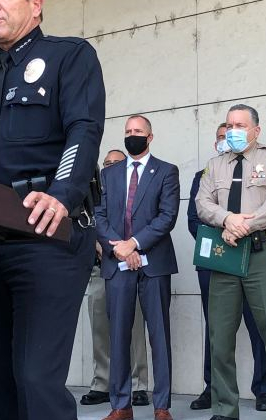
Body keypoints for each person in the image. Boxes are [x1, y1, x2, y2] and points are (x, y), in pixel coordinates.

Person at [0, 0, 104, 419]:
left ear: (35, 4)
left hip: (45, 237)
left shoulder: (69, 56)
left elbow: (84, 131)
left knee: (36, 377)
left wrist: (62, 193)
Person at [196, 104, 266, 420]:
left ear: (256, 130)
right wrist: (227, 220)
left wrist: (244, 225)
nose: (234, 130)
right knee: (220, 337)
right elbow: (202, 203)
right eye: (229, 125)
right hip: (227, 257)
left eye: (240, 125)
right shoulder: (215, 165)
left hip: (264, 254)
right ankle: (225, 409)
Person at [94, 115, 179, 420]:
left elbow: (167, 217)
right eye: (128, 131)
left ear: (150, 137)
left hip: (153, 264)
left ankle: (161, 406)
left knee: (159, 336)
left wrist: (135, 244)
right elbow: (98, 215)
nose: (132, 136)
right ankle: (121, 406)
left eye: (138, 132)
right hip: (118, 263)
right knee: (118, 335)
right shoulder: (109, 174)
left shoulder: (167, 171)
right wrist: (119, 247)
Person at [186, 123, 266, 411]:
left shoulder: (258, 169)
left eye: (230, 136)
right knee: (217, 329)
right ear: (215, 144)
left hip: (252, 257)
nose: (226, 141)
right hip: (216, 261)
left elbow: (265, 211)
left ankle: (264, 389)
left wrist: (239, 231)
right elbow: (194, 219)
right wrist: (224, 233)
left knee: (259, 325)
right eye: (221, 137)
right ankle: (214, 389)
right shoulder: (204, 175)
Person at [82, 149, 151, 408]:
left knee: (132, 327)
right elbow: (88, 221)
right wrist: (102, 246)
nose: (110, 167)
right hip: (101, 266)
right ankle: (102, 382)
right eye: (107, 163)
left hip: (131, 265)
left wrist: (125, 250)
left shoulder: (138, 187)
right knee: (100, 326)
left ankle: (137, 385)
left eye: (116, 163)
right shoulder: (95, 190)